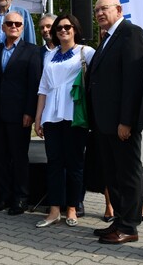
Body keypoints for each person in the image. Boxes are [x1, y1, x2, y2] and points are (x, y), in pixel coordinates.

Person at [87, 0, 143, 244]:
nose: (100, 13)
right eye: (96, 10)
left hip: (122, 123)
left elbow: (133, 82)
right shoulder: (108, 37)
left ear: (119, 9)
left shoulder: (130, 34)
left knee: (128, 174)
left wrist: (127, 121)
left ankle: (130, 227)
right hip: (104, 123)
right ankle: (120, 220)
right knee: (113, 174)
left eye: (104, 8)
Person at [33, 14, 94, 228]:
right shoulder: (50, 56)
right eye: (59, 27)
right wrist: (38, 117)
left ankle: (72, 207)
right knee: (54, 164)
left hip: (75, 115)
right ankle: (54, 209)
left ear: (75, 29)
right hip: (51, 115)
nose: (63, 30)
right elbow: (43, 88)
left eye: (67, 27)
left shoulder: (87, 53)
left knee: (75, 164)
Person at [0, 11, 41, 215]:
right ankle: (4, 196)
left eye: (17, 23)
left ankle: (21, 198)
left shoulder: (32, 51)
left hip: (20, 114)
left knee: (19, 158)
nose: (13, 26)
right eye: (9, 23)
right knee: (0, 157)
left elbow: (34, 84)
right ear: (3, 27)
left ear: (23, 27)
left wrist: (29, 111)